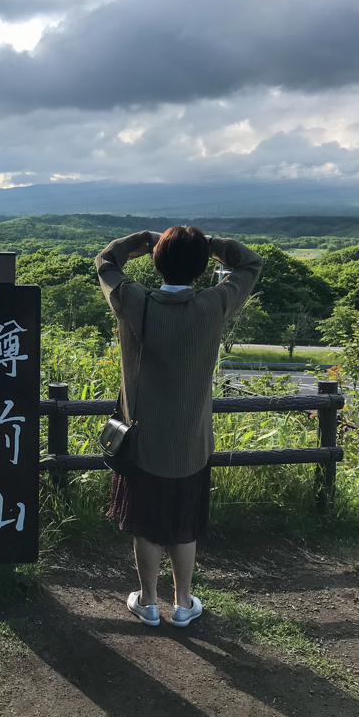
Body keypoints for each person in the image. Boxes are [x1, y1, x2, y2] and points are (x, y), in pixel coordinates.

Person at [96, 226, 263, 627]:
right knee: (183, 524)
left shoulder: (137, 302)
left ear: (156, 261)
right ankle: (184, 603)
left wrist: (142, 239)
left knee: (147, 523)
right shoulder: (213, 304)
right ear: (203, 268)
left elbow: (106, 261)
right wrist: (211, 244)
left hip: (144, 437)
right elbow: (251, 263)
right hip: (192, 439)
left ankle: (149, 602)